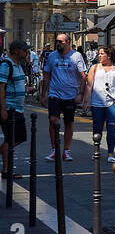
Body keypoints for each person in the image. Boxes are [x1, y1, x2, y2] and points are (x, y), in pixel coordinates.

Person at [40, 33, 87, 161]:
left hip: (71, 95)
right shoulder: (52, 56)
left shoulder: (76, 56)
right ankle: (54, 149)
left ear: (67, 42)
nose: (58, 44)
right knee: (53, 120)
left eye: (60, 41)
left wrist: (81, 94)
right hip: (55, 93)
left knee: (68, 122)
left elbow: (83, 76)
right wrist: (43, 94)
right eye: (57, 42)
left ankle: (66, 150)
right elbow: (46, 75)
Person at [85, 46, 115, 163]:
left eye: (101, 54)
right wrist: (86, 101)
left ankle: (111, 153)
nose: (99, 56)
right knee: (97, 127)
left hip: (113, 101)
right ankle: (96, 150)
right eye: (99, 54)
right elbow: (89, 85)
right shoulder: (94, 68)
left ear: (108, 55)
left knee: (111, 127)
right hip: (97, 101)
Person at [0, 40, 30, 180]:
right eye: (25, 50)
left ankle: (4, 151)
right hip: (10, 108)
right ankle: (6, 170)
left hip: (18, 109)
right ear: (16, 51)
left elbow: (17, 83)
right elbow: (1, 87)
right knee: (10, 139)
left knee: (20, 137)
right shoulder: (6, 65)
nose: (26, 53)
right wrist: (3, 109)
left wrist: (27, 90)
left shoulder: (18, 65)